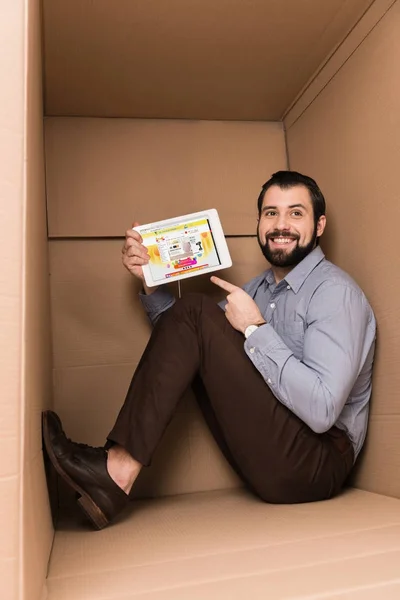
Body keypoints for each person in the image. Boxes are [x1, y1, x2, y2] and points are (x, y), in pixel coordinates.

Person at [43, 170, 376, 530]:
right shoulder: (258, 290)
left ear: (320, 224)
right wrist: (151, 282)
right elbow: (187, 343)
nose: (281, 225)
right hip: (268, 454)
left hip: (316, 464)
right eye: (270, 213)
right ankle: (114, 472)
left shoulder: (335, 294)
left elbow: (323, 410)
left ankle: (116, 472)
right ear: (259, 223)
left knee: (197, 310)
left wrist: (254, 328)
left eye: (296, 213)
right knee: (194, 314)